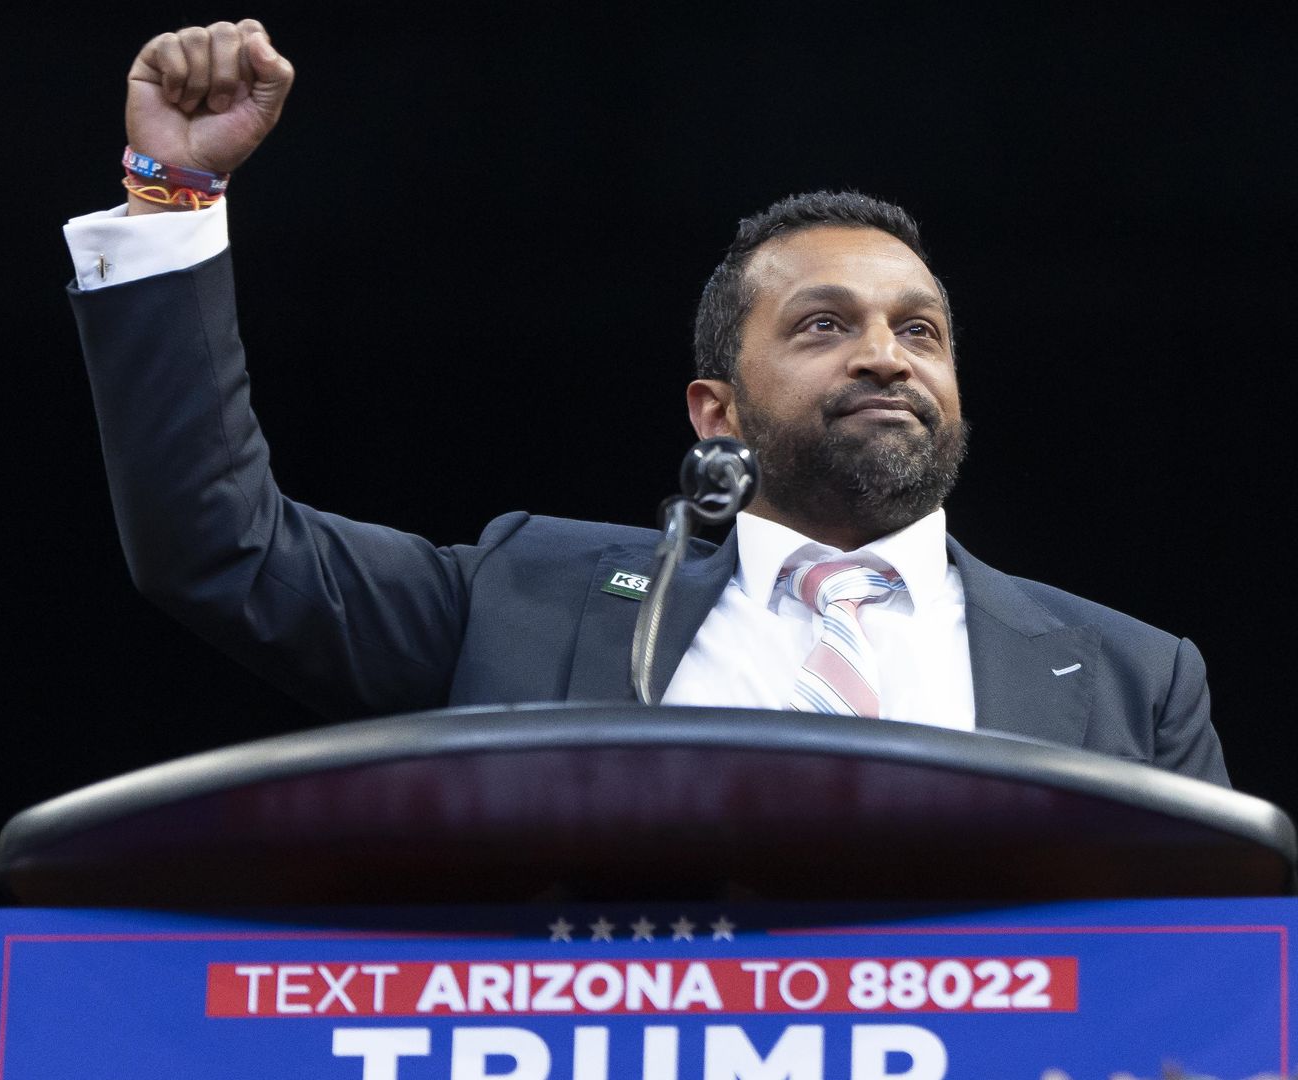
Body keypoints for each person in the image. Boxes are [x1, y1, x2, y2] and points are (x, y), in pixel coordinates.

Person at [63, 19, 1229, 786]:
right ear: (713, 412)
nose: (885, 355)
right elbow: (218, 544)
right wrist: (174, 194)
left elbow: (1210, 980)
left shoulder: (1131, 679)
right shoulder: (524, 600)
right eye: (824, 325)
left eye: (918, 330)